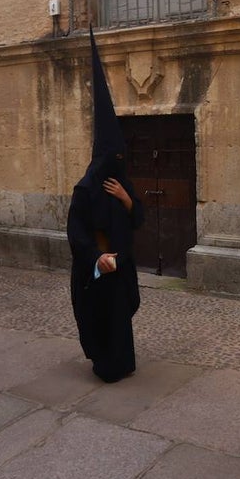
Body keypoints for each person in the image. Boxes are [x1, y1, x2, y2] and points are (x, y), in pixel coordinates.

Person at [67, 30, 144, 383]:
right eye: (111, 158)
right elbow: (75, 231)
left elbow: (138, 221)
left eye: (120, 158)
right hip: (96, 266)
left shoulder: (122, 185)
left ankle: (122, 362)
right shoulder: (85, 190)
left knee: (119, 315)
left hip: (120, 263)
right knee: (99, 314)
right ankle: (104, 362)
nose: (117, 163)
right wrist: (95, 258)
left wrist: (128, 202)